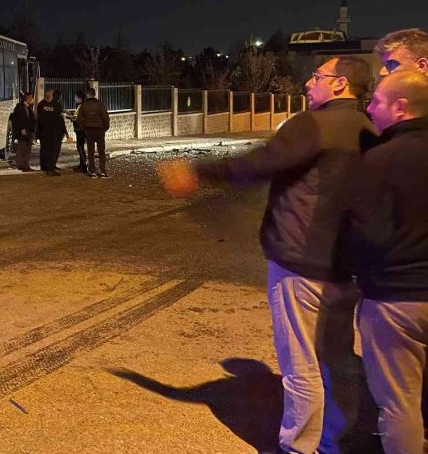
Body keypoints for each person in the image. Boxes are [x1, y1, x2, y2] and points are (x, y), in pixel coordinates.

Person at [158, 56, 376, 454]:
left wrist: (198, 174)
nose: (308, 83)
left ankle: (298, 445)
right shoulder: (367, 130)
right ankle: (336, 441)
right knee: (339, 360)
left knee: (301, 364)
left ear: (341, 83)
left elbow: (258, 164)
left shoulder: (314, 124)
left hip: (300, 260)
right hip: (346, 267)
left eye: (317, 76)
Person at [350, 71, 428, 453]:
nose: (368, 108)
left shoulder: (378, 161)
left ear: (401, 107)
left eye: (376, 102)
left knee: (400, 406)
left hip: (395, 301)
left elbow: (362, 235)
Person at [77, 87, 110, 178]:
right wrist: (105, 128)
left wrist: (83, 128)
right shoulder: (100, 104)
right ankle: (102, 171)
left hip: (88, 130)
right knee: (101, 151)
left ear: (87, 95)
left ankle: (92, 171)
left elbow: (79, 119)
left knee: (90, 151)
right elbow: (105, 117)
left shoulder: (84, 105)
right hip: (99, 130)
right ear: (94, 94)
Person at [36, 88, 67, 176]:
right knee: (52, 150)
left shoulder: (41, 104)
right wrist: (64, 131)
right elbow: (60, 119)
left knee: (45, 150)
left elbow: (40, 118)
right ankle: (50, 168)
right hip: (54, 132)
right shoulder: (56, 105)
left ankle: (47, 167)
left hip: (44, 131)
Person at [11, 92, 36, 172]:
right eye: (31, 98)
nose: (32, 100)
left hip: (29, 132)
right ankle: (21, 165)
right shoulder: (20, 108)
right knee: (22, 148)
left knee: (27, 149)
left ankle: (25, 164)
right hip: (23, 132)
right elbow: (18, 120)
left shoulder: (28, 107)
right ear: (28, 98)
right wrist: (22, 129)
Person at [69, 90, 88, 174]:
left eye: (76, 97)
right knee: (80, 147)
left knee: (80, 147)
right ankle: (82, 165)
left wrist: (70, 117)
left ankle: (83, 166)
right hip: (80, 130)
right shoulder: (80, 106)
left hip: (80, 130)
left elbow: (78, 118)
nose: (75, 98)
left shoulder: (82, 106)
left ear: (80, 98)